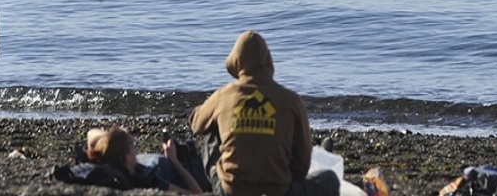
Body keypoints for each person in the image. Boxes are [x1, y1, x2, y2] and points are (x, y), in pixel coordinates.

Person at [189, 30, 340, 196]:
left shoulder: (224, 96)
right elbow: (302, 162)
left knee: (210, 127)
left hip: (230, 191)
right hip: (279, 192)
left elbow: (196, 124)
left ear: (236, 61)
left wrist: (220, 113)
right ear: (268, 62)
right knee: (329, 179)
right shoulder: (291, 101)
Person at [84, 124, 204, 193]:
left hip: (158, 160)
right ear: (127, 158)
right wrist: (175, 161)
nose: (135, 146)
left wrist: (111, 136)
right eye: (132, 144)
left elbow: (90, 134)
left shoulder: (105, 159)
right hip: (184, 169)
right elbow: (197, 193)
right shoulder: (145, 178)